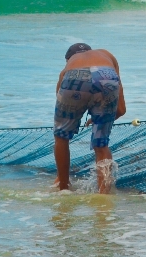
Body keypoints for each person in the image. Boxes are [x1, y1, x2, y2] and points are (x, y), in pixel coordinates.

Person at [53, 43, 126, 193]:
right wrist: (100, 120)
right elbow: (121, 109)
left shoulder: (67, 69)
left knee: (61, 137)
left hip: (74, 78)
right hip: (106, 76)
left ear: (68, 59)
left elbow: (63, 117)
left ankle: (63, 187)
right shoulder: (106, 55)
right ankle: (104, 196)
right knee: (101, 144)